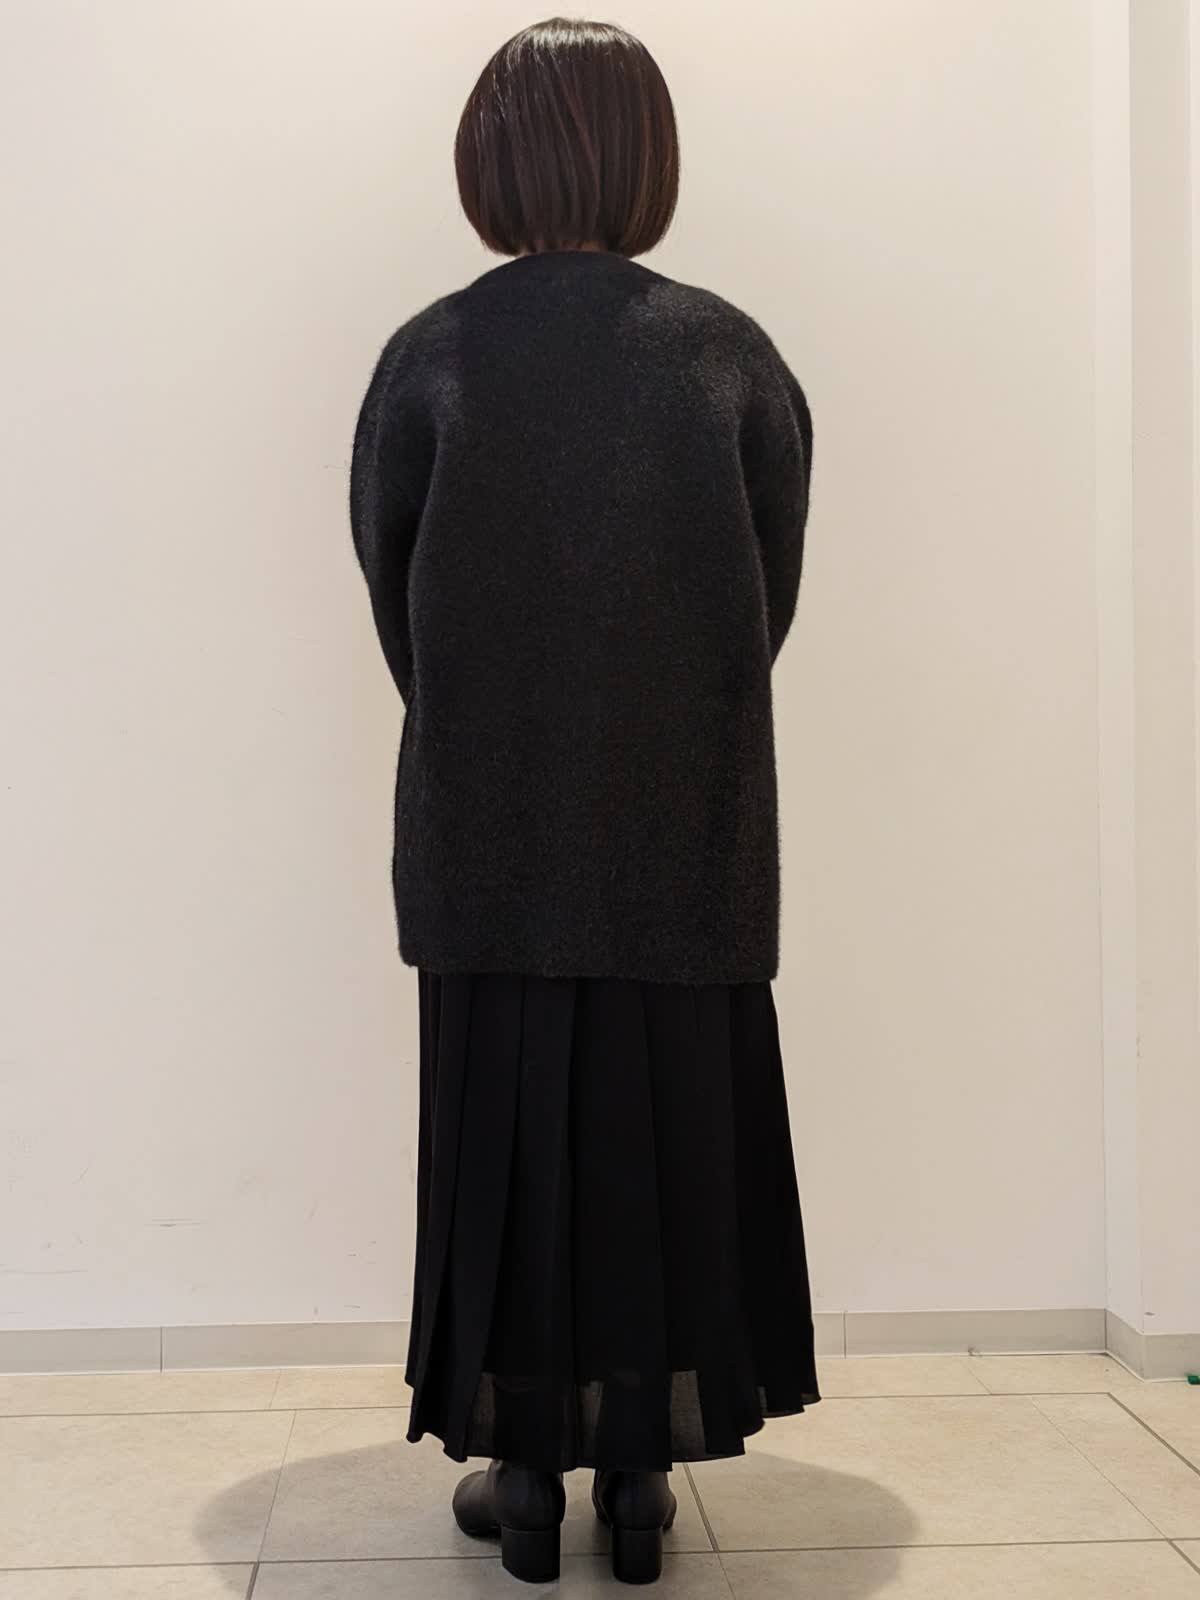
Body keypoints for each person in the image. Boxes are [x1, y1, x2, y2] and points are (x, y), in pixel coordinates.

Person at [348, 15, 820, 1587]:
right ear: (648, 162)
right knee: (663, 1153)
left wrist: (497, 731)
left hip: (488, 844)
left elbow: (398, 603)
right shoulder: (727, 353)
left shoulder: (430, 357)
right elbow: (766, 599)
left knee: (506, 1153)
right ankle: (637, 1476)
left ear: (488, 162)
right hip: (685, 845)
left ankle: (523, 1475)